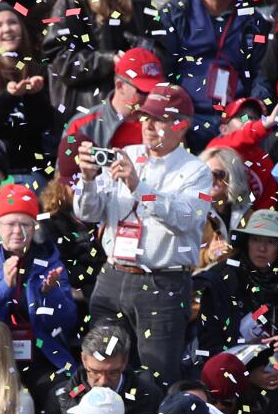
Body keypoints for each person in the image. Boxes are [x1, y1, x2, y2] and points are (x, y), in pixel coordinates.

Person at [70, 83, 213, 382]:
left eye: (159, 119)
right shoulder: (125, 154)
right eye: (146, 117)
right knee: (102, 368)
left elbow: (188, 219)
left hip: (162, 282)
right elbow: (88, 213)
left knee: (156, 375)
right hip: (112, 276)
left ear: (181, 125)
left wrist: (139, 188)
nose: (148, 125)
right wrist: (88, 180)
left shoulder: (196, 170)